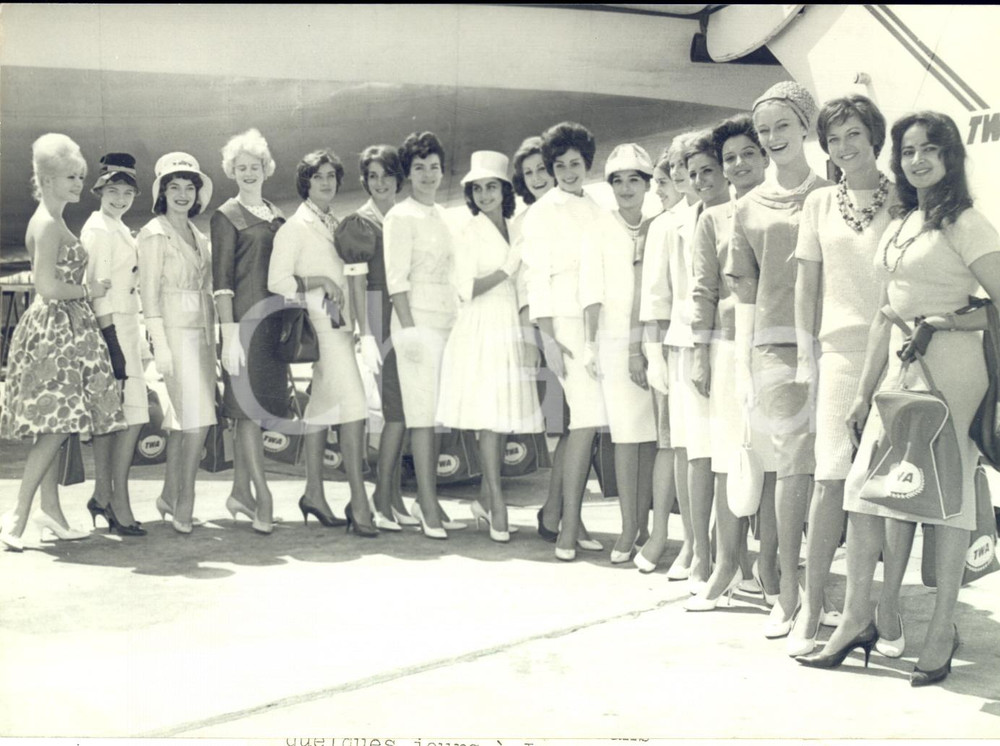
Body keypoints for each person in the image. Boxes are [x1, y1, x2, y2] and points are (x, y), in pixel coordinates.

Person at [798, 111, 1000, 686]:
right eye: (908, 151)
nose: (917, 160)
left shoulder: (966, 222)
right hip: (897, 372)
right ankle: (856, 620)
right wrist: (862, 393)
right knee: (865, 494)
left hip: (952, 374)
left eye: (930, 149)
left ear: (950, 156)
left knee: (947, 502)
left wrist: (945, 321)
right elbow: (886, 311)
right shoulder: (904, 220)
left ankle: (940, 630)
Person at [787, 96, 900, 655]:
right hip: (837, 353)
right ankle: (812, 609)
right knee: (830, 478)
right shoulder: (818, 204)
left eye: (854, 134)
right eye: (833, 139)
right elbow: (806, 285)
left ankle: (886, 612)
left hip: (899, 354)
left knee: (889, 488)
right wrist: (805, 353)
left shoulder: (904, 198)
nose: (844, 147)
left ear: (874, 136)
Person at [725, 82, 831, 637]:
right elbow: (745, 293)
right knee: (792, 465)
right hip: (777, 348)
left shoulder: (835, 193)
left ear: (805, 126)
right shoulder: (746, 207)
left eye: (782, 125)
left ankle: (825, 591)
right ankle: (790, 592)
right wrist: (744, 367)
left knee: (833, 470)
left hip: (835, 343)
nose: (771, 138)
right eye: (763, 130)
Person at [1, 134, 126, 551]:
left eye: (80, 176)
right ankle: (17, 514)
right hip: (55, 330)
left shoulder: (53, 220)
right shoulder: (47, 224)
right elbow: (47, 286)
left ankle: (50, 512)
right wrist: (90, 290)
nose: (78, 183)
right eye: (71, 176)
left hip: (65, 329)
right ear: (47, 180)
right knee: (56, 427)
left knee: (58, 424)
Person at [268, 149, 377, 537]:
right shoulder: (294, 228)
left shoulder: (335, 221)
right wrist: (321, 282)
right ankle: (359, 501)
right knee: (355, 408)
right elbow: (277, 282)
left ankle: (313, 493)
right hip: (320, 326)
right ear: (306, 183)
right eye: (318, 177)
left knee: (319, 411)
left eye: (331, 176)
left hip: (342, 325)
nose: (327, 182)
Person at [684, 120, 770, 609]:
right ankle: (726, 566)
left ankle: (772, 571)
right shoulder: (712, 220)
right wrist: (700, 354)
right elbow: (703, 292)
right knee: (725, 461)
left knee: (776, 464)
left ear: (764, 157)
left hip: (778, 347)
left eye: (748, 154)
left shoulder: (788, 208)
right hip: (728, 348)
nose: (739, 165)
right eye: (730, 158)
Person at [437, 150, 543, 542]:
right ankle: (497, 503)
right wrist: (505, 269)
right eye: (477, 188)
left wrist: (529, 336)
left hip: (510, 325)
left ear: (504, 190)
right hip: (480, 326)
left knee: (501, 417)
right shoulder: (467, 232)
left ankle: (485, 500)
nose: (484, 195)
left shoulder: (517, 229)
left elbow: (526, 285)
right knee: (489, 419)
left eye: (491, 187)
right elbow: (465, 288)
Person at [522, 121, 609, 561]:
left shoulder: (597, 206)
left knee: (585, 424)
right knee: (586, 421)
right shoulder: (543, 212)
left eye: (575, 163)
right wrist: (548, 339)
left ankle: (557, 513)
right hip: (564, 326)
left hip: (597, 323)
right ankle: (568, 528)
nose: (568, 172)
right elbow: (536, 279)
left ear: (586, 163)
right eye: (560, 166)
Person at [636, 131, 709, 586]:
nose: (682, 174)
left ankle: (725, 549)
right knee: (685, 448)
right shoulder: (665, 224)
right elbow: (655, 298)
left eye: (690, 164)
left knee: (721, 452)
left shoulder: (726, 207)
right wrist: (653, 356)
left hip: (724, 343)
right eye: (677, 166)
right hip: (681, 346)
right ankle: (692, 544)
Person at [211, 128, 289, 534]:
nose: (247, 172)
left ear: (265, 168)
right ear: (232, 171)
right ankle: (264, 497)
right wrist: (228, 335)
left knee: (257, 413)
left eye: (254, 166)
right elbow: (221, 282)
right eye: (240, 167)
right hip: (242, 327)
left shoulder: (277, 215)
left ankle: (240, 493)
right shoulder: (226, 216)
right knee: (246, 414)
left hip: (272, 327)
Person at [384, 131, 460, 539]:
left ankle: (428, 500)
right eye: (419, 168)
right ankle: (427, 503)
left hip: (447, 320)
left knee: (438, 414)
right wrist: (410, 333)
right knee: (421, 417)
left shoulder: (445, 215)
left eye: (434, 167)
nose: (428, 175)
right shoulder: (400, 216)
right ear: (408, 174)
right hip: (416, 323)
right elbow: (396, 282)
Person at [584, 143, 657, 563]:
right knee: (627, 436)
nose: (626, 188)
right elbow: (590, 291)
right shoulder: (598, 227)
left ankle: (645, 526)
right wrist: (591, 344)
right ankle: (628, 527)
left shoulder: (659, 223)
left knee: (650, 440)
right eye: (618, 181)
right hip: (614, 343)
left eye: (634, 180)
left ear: (647, 185)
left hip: (654, 340)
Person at [138, 152, 217, 534]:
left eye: (189, 187)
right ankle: (186, 500)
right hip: (174, 334)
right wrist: (161, 345)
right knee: (197, 422)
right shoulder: (154, 233)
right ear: (163, 193)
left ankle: (169, 496)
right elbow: (148, 291)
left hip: (201, 336)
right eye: (174, 187)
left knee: (183, 422)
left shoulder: (198, 235)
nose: (183, 194)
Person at [335, 144, 410, 532]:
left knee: (407, 411)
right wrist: (365, 334)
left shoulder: (404, 216)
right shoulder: (359, 224)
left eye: (387, 175)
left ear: (398, 178)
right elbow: (356, 284)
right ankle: (380, 497)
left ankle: (393, 497)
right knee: (396, 412)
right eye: (373, 177)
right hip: (379, 315)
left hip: (407, 314)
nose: (380, 183)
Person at [82, 152, 148, 536]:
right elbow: (99, 294)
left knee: (115, 419)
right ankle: (116, 500)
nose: (120, 198)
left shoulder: (117, 227)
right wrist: (114, 347)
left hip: (126, 327)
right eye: (113, 191)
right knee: (130, 416)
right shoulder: (101, 231)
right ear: (100, 191)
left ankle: (102, 495)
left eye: (127, 192)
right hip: (112, 329)